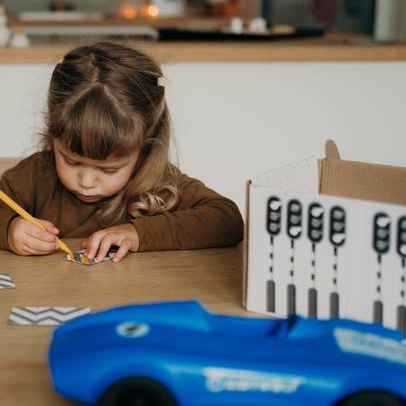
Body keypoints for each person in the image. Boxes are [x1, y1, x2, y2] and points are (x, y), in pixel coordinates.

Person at [0, 41, 243, 262]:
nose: (86, 182)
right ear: (53, 137)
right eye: (71, 161)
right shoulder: (35, 175)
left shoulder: (157, 181)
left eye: (109, 169)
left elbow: (227, 221)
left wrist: (137, 234)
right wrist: (10, 230)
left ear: (144, 149)